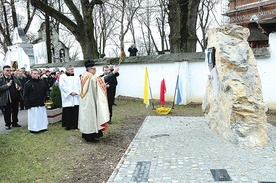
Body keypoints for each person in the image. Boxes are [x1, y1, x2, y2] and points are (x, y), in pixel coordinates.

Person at [78, 60, 119, 142]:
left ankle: (89, 135)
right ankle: (90, 137)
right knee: (91, 117)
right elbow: (102, 81)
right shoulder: (90, 77)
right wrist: (113, 73)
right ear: (89, 69)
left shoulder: (83, 75)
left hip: (86, 101)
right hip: (90, 102)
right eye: (93, 69)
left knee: (87, 118)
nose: (95, 70)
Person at [23, 69, 49, 134]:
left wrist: (47, 96)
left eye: (37, 73)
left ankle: (43, 127)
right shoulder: (28, 83)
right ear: (31, 74)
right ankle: (33, 129)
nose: (36, 75)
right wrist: (27, 104)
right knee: (33, 117)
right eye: (34, 73)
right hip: (32, 103)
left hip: (41, 102)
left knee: (42, 116)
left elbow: (46, 90)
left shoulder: (42, 82)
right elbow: (25, 95)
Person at [0, 65, 23, 130]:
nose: (9, 72)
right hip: (6, 98)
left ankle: (15, 122)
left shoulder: (14, 78)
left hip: (15, 97)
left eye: (10, 70)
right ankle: (8, 124)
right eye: (7, 70)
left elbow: (20, 85)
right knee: (7, 112)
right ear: (3, 71)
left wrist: (19, 88)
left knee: (15, 111)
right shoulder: (1, 79)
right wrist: (6, 86)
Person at [59, 64, 80, 130]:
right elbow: (62, 86)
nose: (72, 70)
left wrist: (76, 92)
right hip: (68, 96)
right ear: (67, 70)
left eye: (73, 69)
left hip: (75, 95)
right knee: (68, 110)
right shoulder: (62, 76)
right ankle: (68, 125)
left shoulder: (77, 76)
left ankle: (76, 124)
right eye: (71, 69)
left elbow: (79, 85)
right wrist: (70, 92)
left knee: (75, 110)